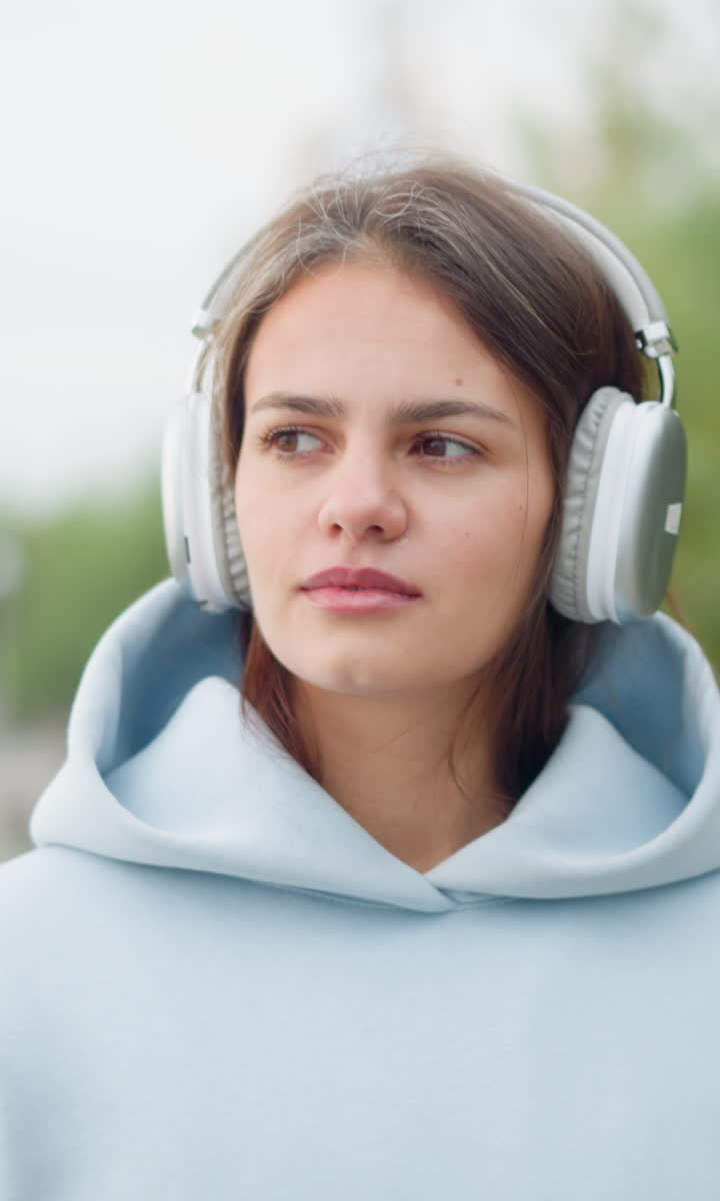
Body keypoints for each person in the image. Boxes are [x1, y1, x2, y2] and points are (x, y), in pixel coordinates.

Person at [1, 156, 718, 1200]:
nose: (358, 502)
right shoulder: (23, 965)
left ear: (596, 510)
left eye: (440, 444)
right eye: (295, 436)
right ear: (214, 493)